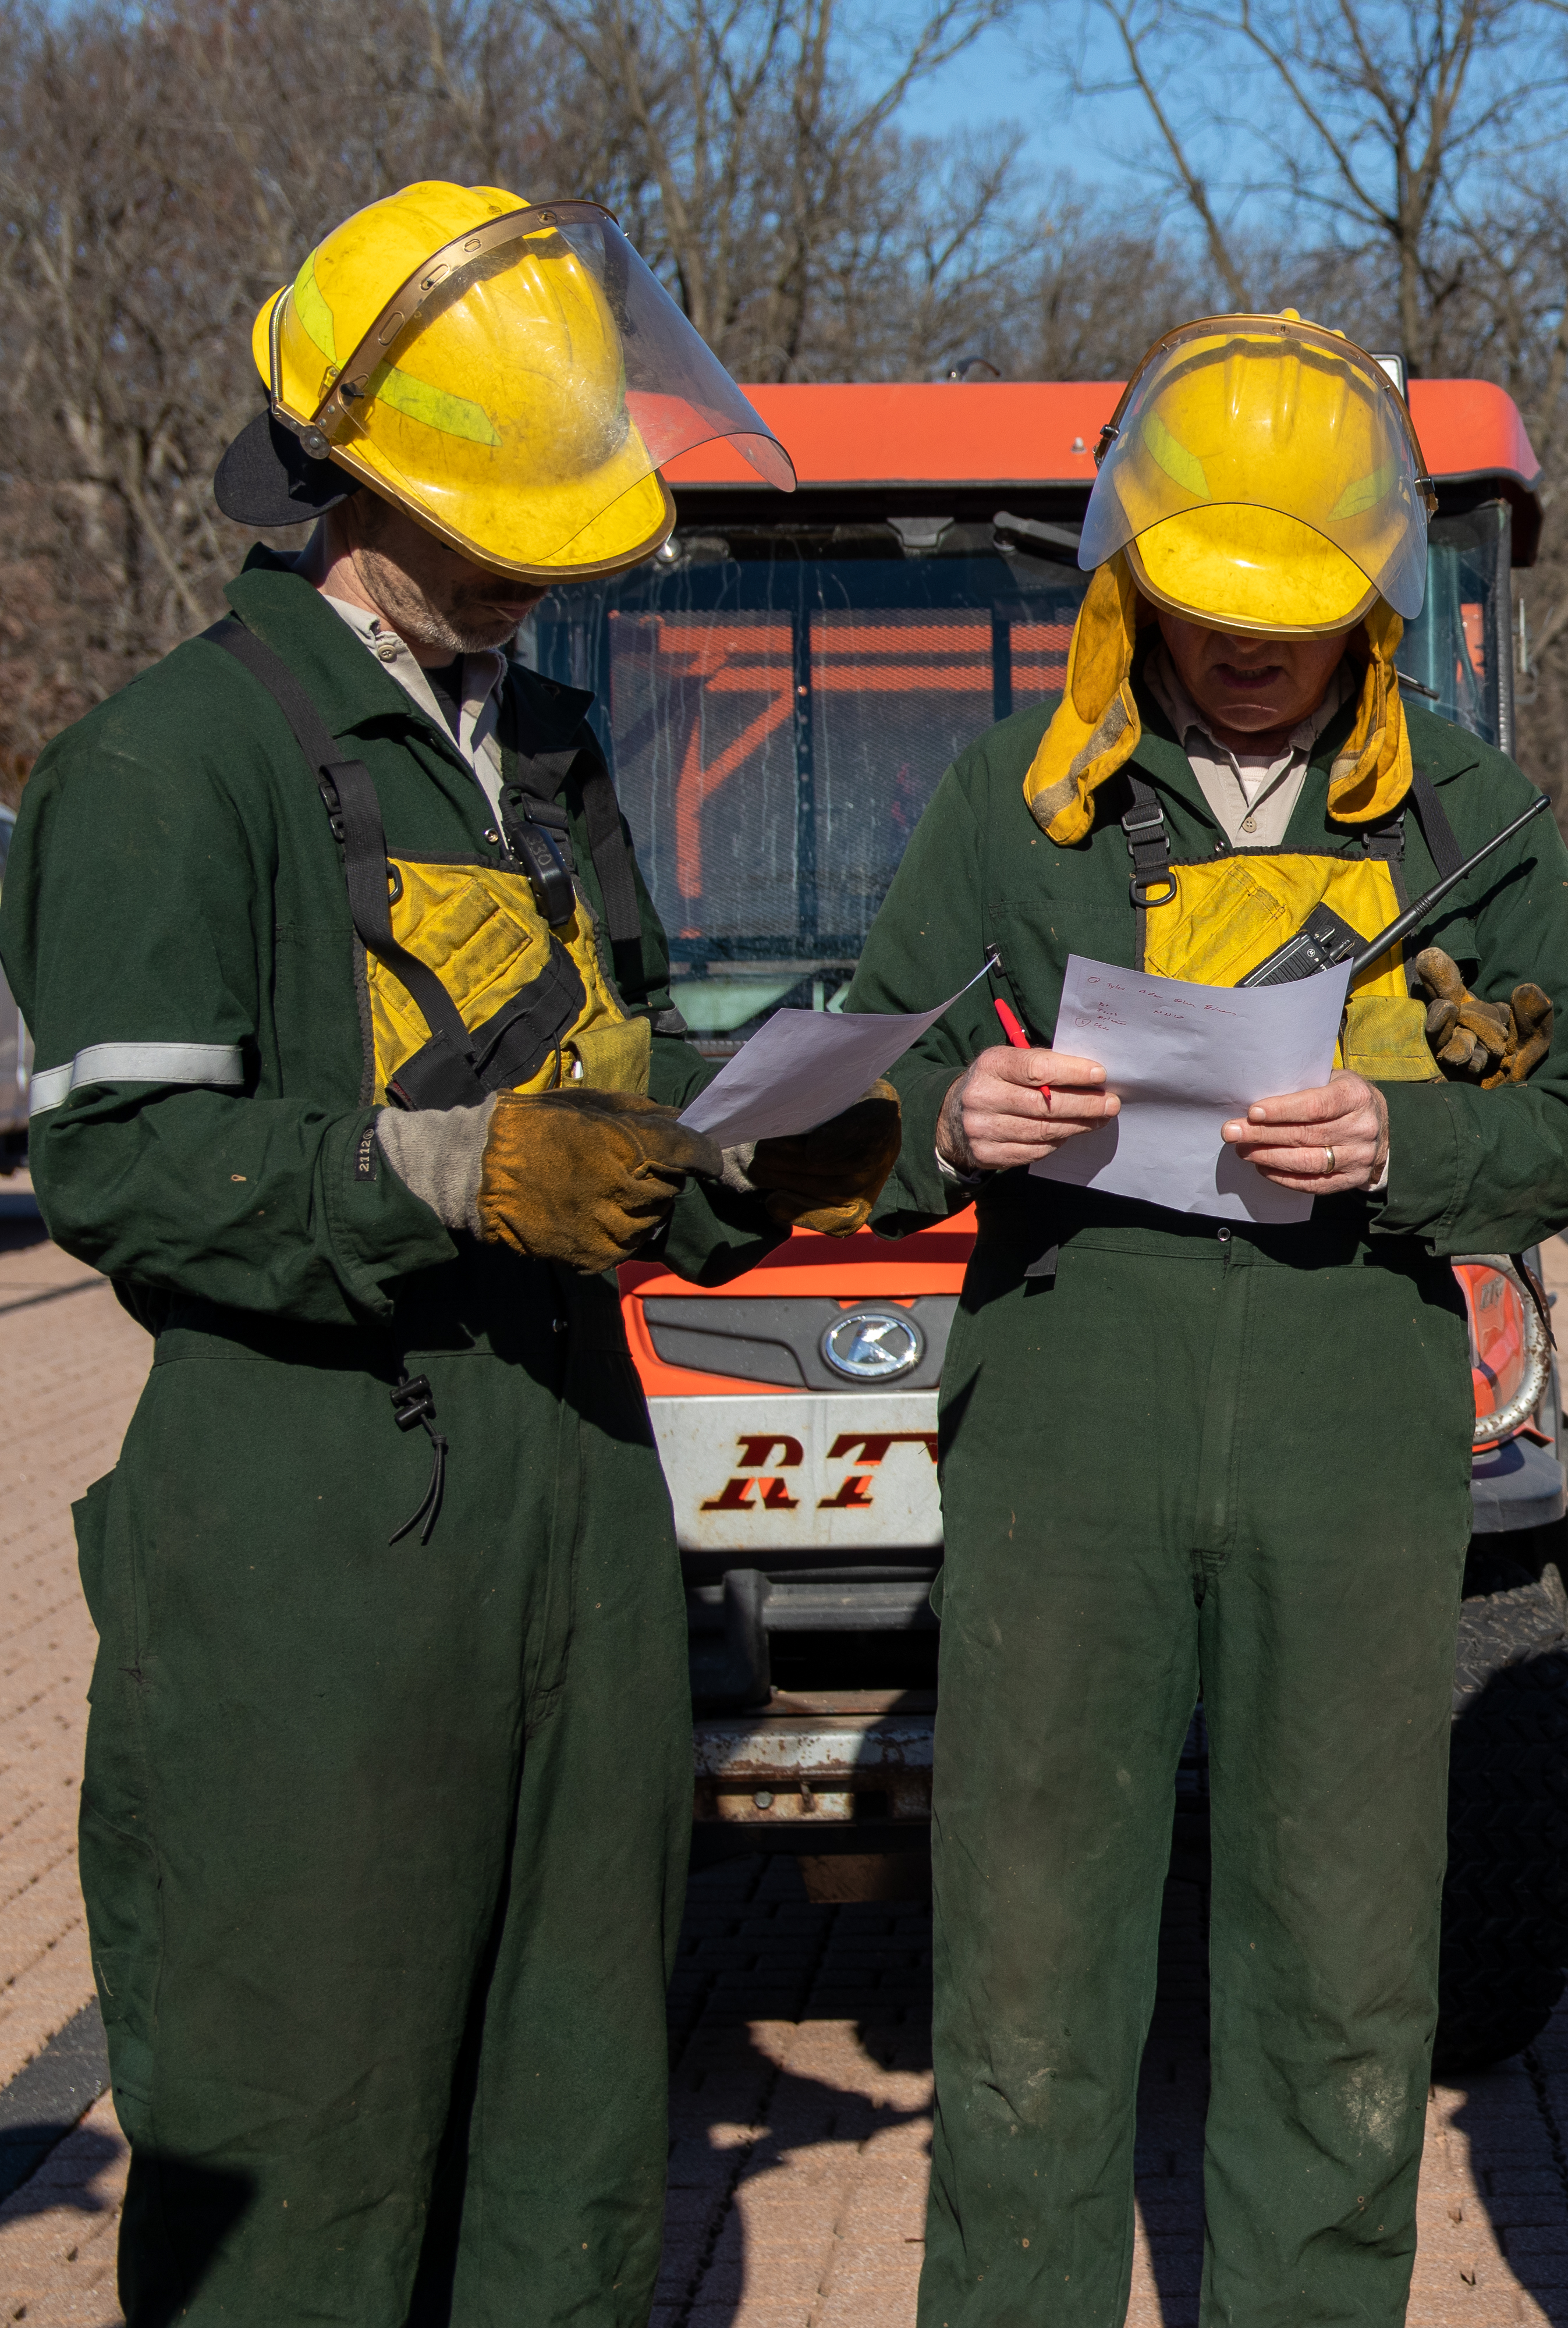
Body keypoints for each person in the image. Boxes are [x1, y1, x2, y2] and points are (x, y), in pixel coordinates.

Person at [0, 183, 899, 2322]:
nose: (553, 565)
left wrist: (744, 1162)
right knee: (303, 2162)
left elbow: (605, 1090)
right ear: (367, 484)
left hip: (585, 1507)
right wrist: (440, 1179)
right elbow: (124, 1163)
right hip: (318, 1541)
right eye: (518, 520)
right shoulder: (168, 765)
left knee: (578, 2134)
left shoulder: (548, 759)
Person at [836, 310, 1568, 2328]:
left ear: (1371, 586)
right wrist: (955, 1115)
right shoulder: (1023, 800)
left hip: (1352, 1427)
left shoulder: (1469, 819)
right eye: (1207, 602)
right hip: (1068, 1410)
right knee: (1023, 1962)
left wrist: (1408, 1144)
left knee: (1345, 1963)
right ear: (1134, 564)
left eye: (1294, 607)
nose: (1248, 646)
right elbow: (851, 1086)